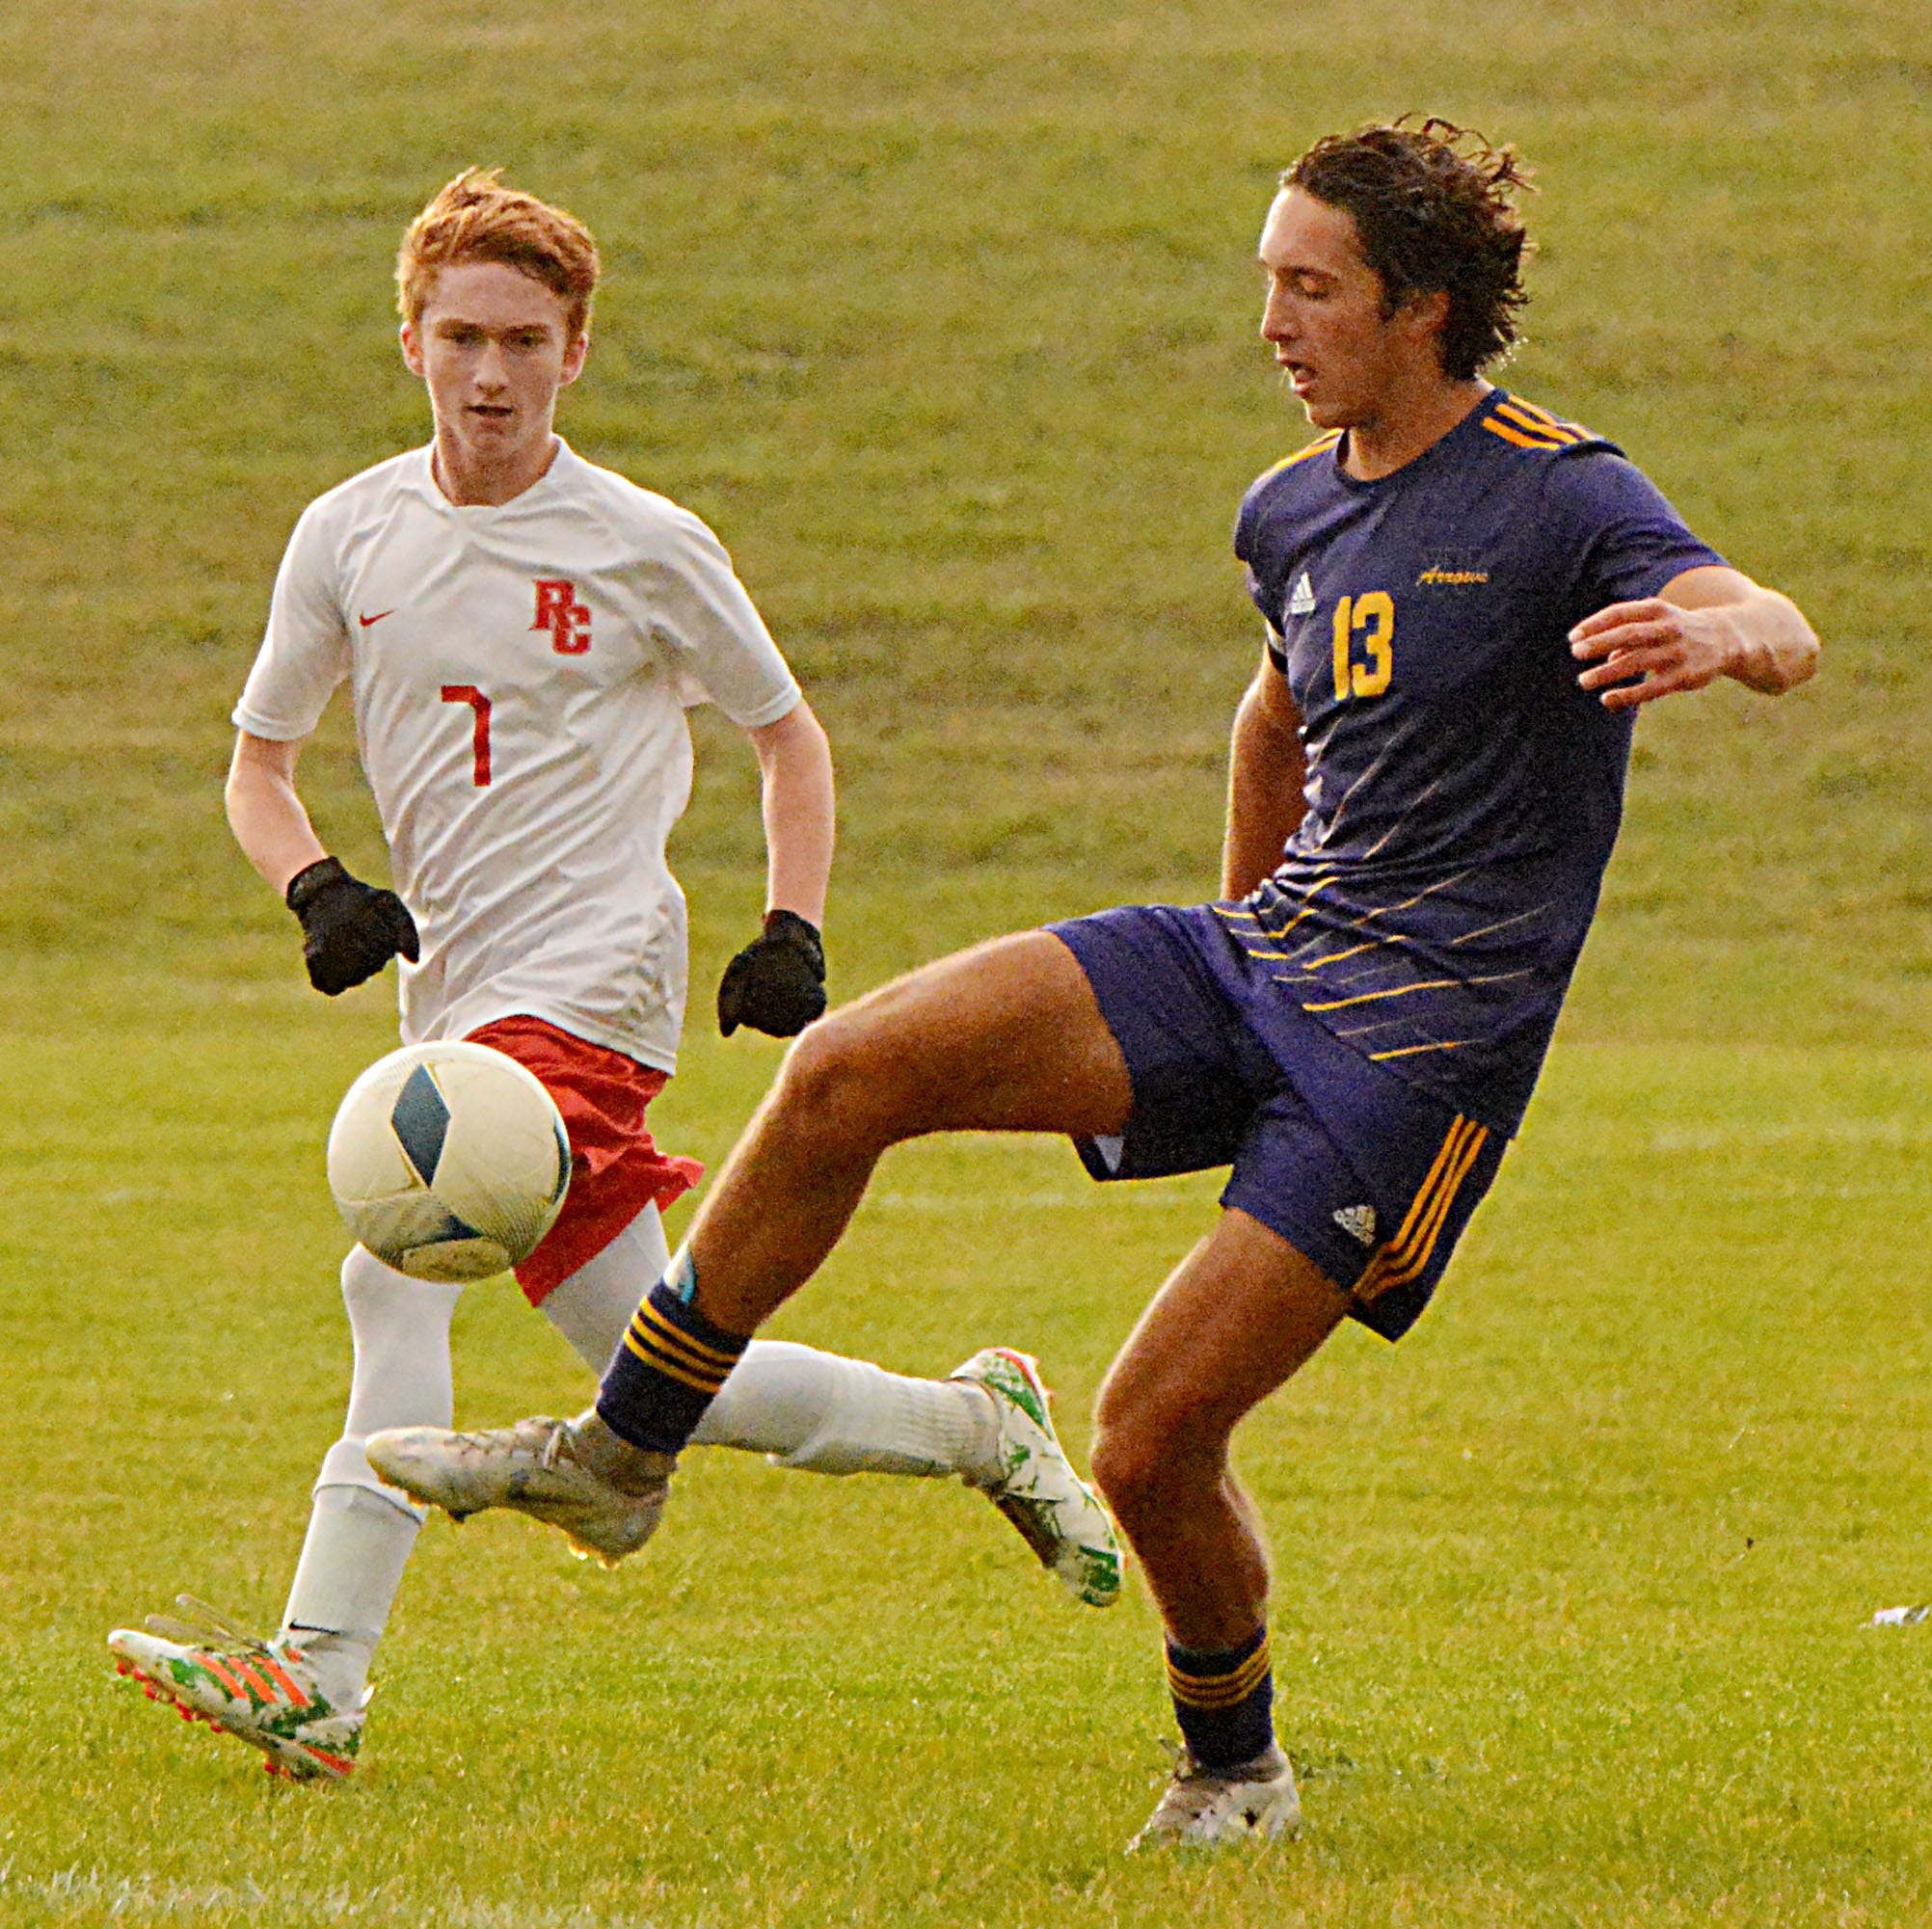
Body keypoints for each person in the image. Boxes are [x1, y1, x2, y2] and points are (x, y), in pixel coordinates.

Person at [364, 121, 1819, 1846]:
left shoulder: (1562, 490)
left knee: (1143, 1437)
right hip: (1268, 963)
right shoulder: (1287, 508)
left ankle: (1235, 1769)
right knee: (843, 1067)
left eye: (1311, 286)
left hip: (1419, 1049)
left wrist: (1730, 636)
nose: (1272, 319)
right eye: (1266, 278)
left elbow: (1766, 613)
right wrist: (1235, 971)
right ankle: (622, 1454)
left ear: (1419, 307)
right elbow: (1274, 716)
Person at [106, 169, 1120, 1784]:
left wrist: (792, 925)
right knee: (651, 1361)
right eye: (460, 337)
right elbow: (257, 764)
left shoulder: (644, 542)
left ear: (576, 350)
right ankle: (975, 1423)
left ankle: (319, 1672)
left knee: (394, 1268)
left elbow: (788, 735)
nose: (490, 372)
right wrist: (314, 885)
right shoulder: (347, 533)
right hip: (450, 993)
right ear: (413, 342)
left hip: (595, 981)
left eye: (524, 338)